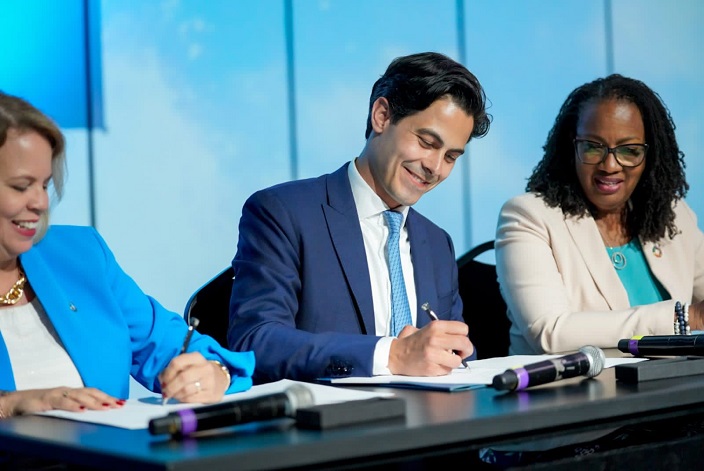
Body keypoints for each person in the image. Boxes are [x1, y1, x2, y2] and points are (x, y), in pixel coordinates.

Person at [229, 51, 491, 383]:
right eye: (427, 142)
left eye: (451, 157)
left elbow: (454, 358)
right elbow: (256, 341)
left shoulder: (438, 243)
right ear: (382, 116)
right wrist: (391, 355)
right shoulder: (283, 212)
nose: (435, 168)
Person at [0, 91, 255, 419]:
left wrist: (212, 373)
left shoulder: (81, 256)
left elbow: (173, 347)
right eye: (22, 186)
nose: (40, 203)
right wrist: (10, 404)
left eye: (45, 185)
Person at [495, 74, 704, 355]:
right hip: (577, 384)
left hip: (675, 381)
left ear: (650, 155)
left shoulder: (673, 215)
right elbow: (550, 331)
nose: (610, 165)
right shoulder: (528, 216)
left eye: (629, 150)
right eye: (593, 147)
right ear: (572, 147)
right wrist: (685, 318)